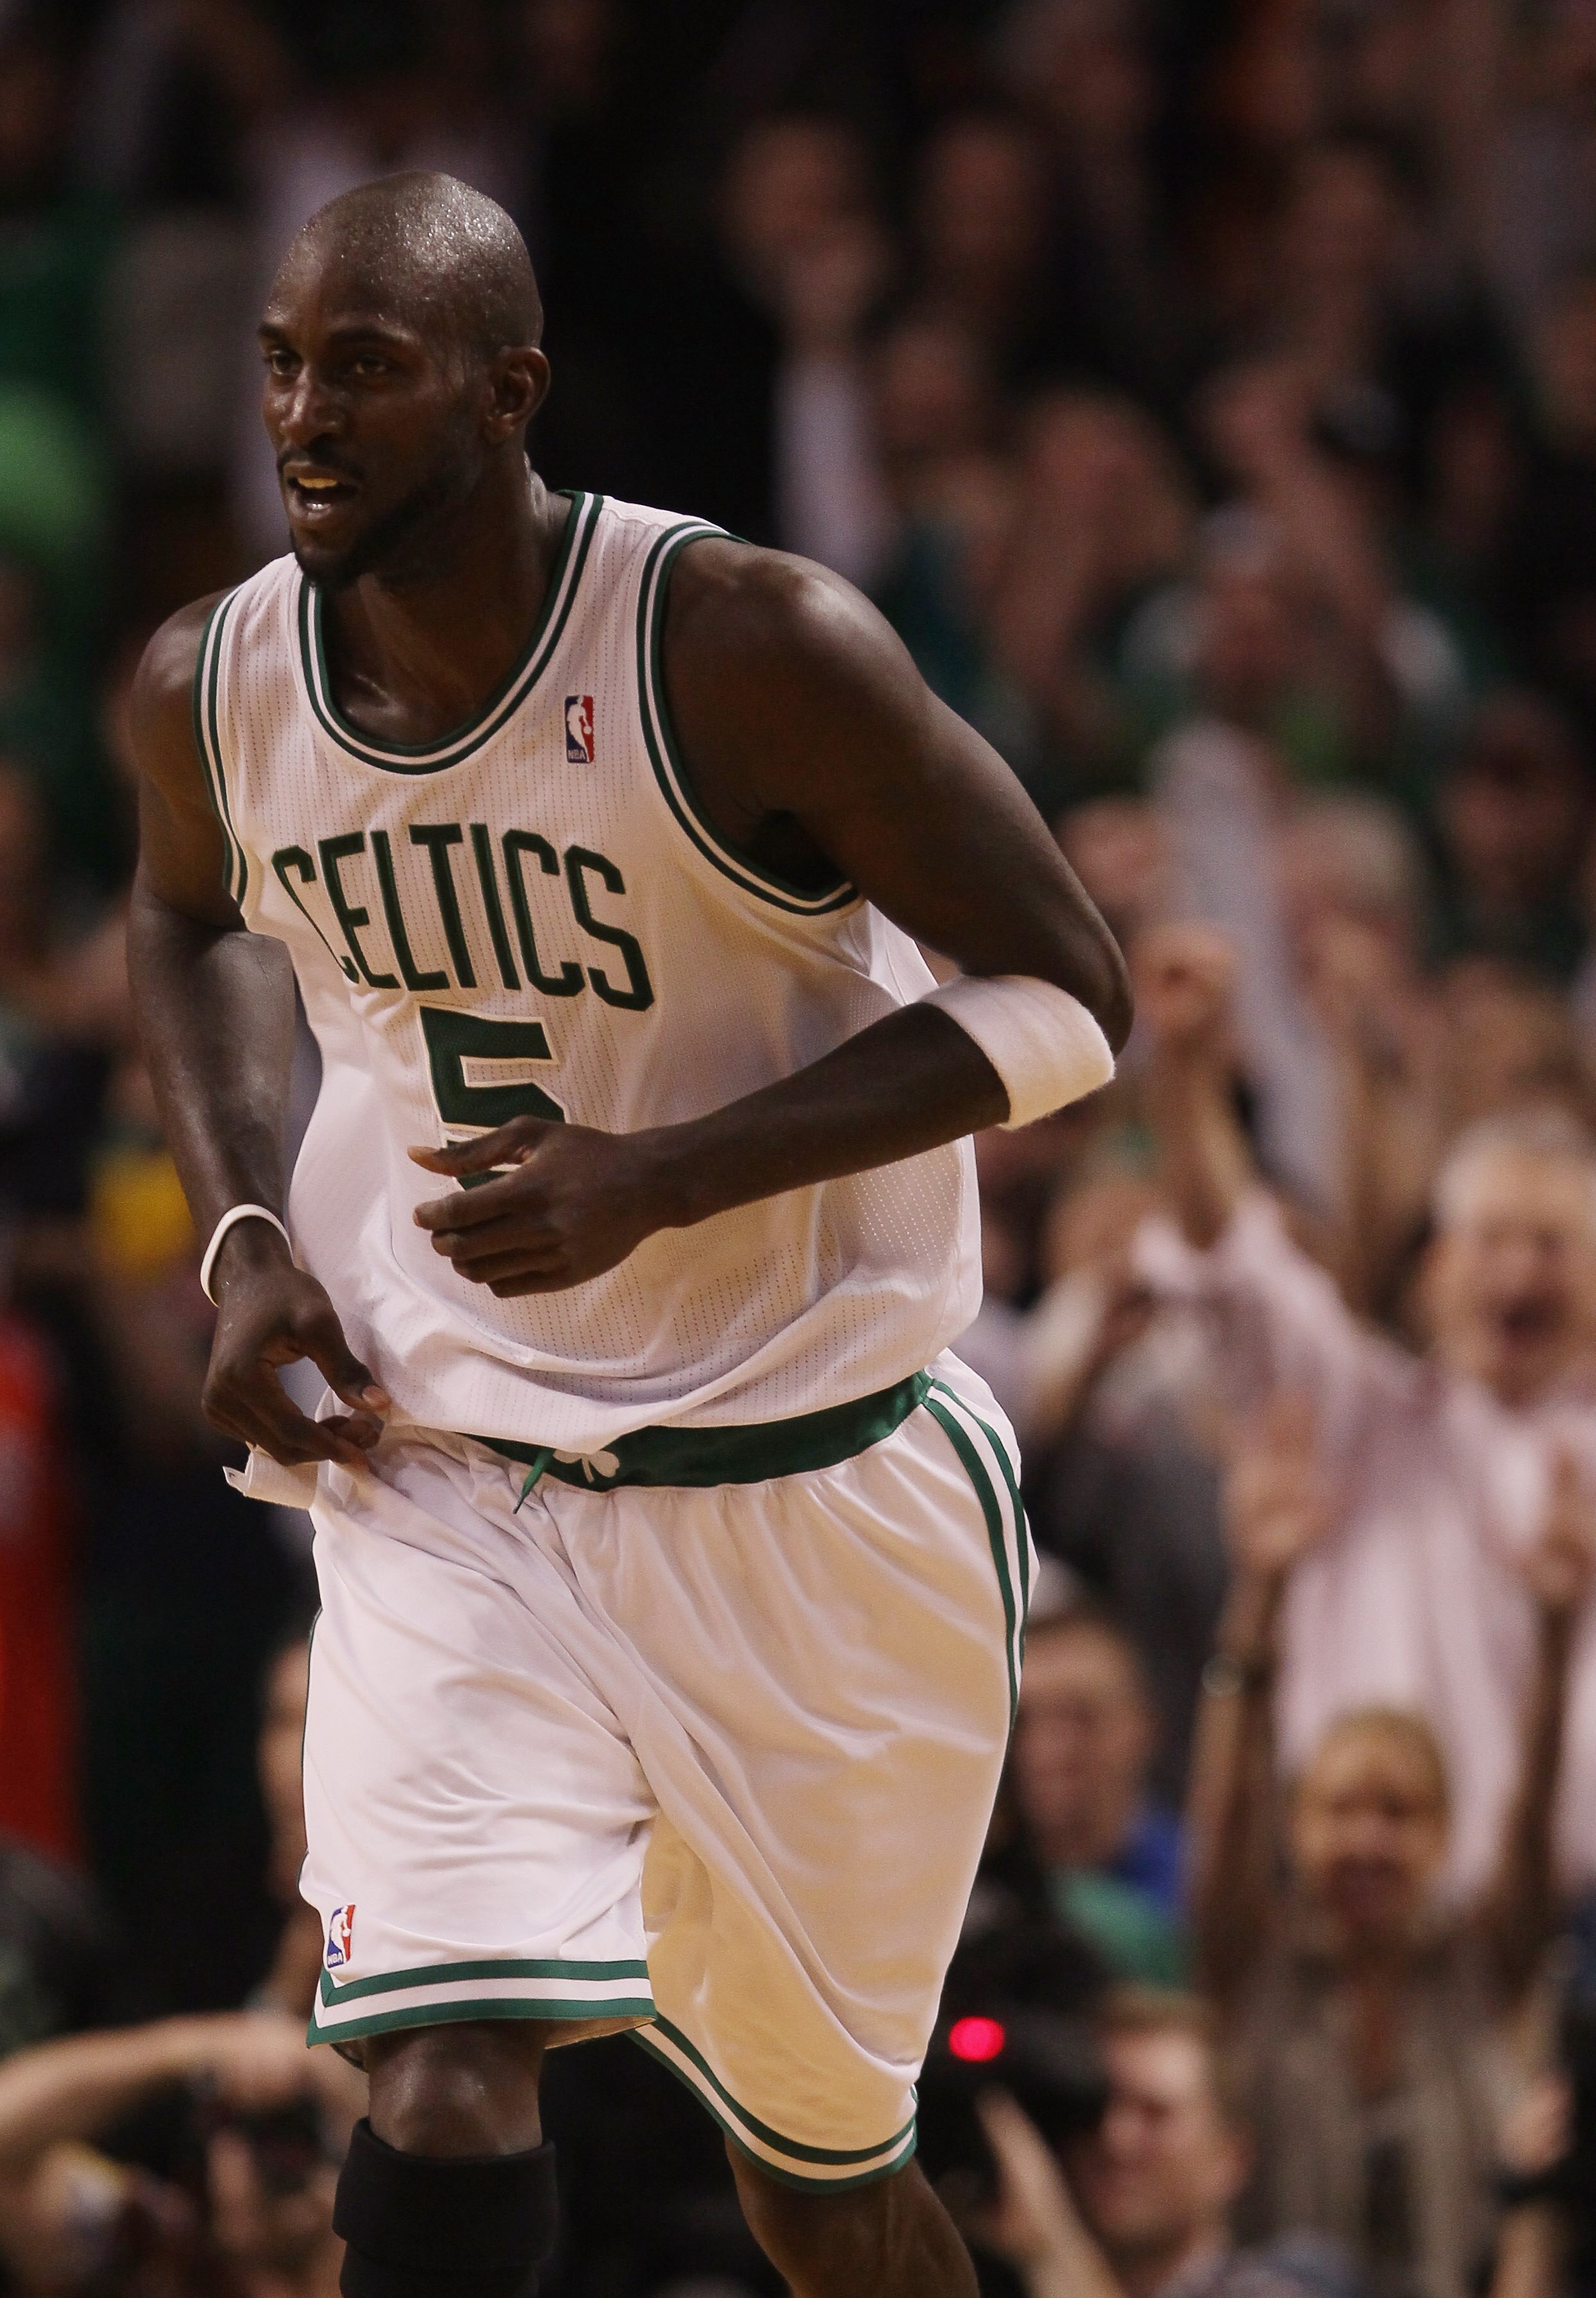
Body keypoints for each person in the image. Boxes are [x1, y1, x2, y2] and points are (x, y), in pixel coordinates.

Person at [124, 171, 1131, 2298]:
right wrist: (241, 1225)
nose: (304, 415)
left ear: (510, 393)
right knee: (439, 2081)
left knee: (823, 2184)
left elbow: (1065, 1001)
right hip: (455, 1464)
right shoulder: (214, 685)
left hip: (815, 1482)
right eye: (284, 366)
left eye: (368, 370)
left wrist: (665, 1171)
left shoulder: (745, 645)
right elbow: (192, 904)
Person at [1132, 922, 1596, 1896]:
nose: (1518, 1271)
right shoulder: (1352, 1412)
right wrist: (1184, 1078)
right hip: (1351, 1911)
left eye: (1551, 1245)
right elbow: (1234, 1266)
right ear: (1436, 1272)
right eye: (1493, 1240)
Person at [1184, 1377, 1593, 2298]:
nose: (1366, 1838)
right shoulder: (1252, 1961)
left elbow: (1531, 1824)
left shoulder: (1486, 1963)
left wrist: (1561, 1632)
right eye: (1340, 1810)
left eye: (1398, 1813)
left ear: (1446, 1837)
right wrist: (1263, 1589)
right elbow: (1226, 1810)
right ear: (1297, 1827)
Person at [971, 1988, 1356, 2298]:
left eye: (1155, 2114)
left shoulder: (1279, 2286)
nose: (1114, 2138)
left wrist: (1052, 2252)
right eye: (1095, 2108)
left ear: (1230, 2159)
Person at [1008, 1603, 1186, 1985]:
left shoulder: (1200, 1888)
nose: (1049, 1751)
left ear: (1144, 1725)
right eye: (1023, 1723)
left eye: (1080, 1717)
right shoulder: (960, 1899)